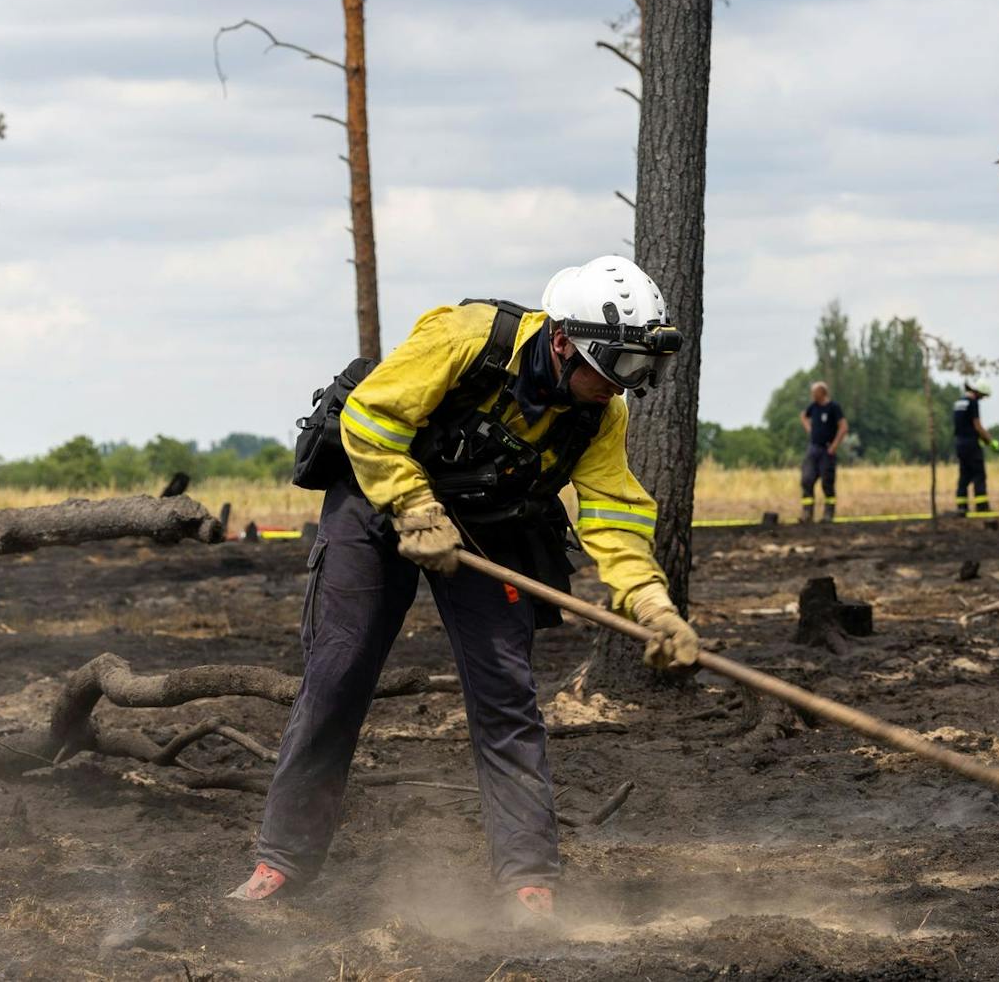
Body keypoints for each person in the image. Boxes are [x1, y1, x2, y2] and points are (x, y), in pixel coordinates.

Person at [231, 255, 697, 920]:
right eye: (614, 368)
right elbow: (369, 418)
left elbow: (616, 514)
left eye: (635, 372)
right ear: (562, 341)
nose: (621, 386)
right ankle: (280, 861)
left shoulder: (600, 412)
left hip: (489, 523)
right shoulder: (466, 337)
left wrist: (650, 603)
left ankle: (528, 883)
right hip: (380, 500)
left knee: (507, 692)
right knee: (338, 669)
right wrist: (416, 507)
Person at [798, 381, 848, 523]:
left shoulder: (834, 407)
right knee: (807, 480)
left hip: (827, 450)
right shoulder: (813, 407)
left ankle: (828, 513)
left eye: (814, 392)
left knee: (827, 482)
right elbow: (803, 416)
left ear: (822, 392)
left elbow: (843, 427)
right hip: (813, 449)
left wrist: (834, 445)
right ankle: (807, 513)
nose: (812, 395)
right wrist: (810, 429)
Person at [952, 381, 999, 516]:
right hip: (971, 444)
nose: (983, 398)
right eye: (983, 396)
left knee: (964, 475)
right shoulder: (973, 403)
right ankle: (982, 506)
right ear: (978, 392)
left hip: (959, 444)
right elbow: (977, 426)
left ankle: (962, 507)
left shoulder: (958, 403)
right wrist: (990, 441)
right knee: (979, 474)